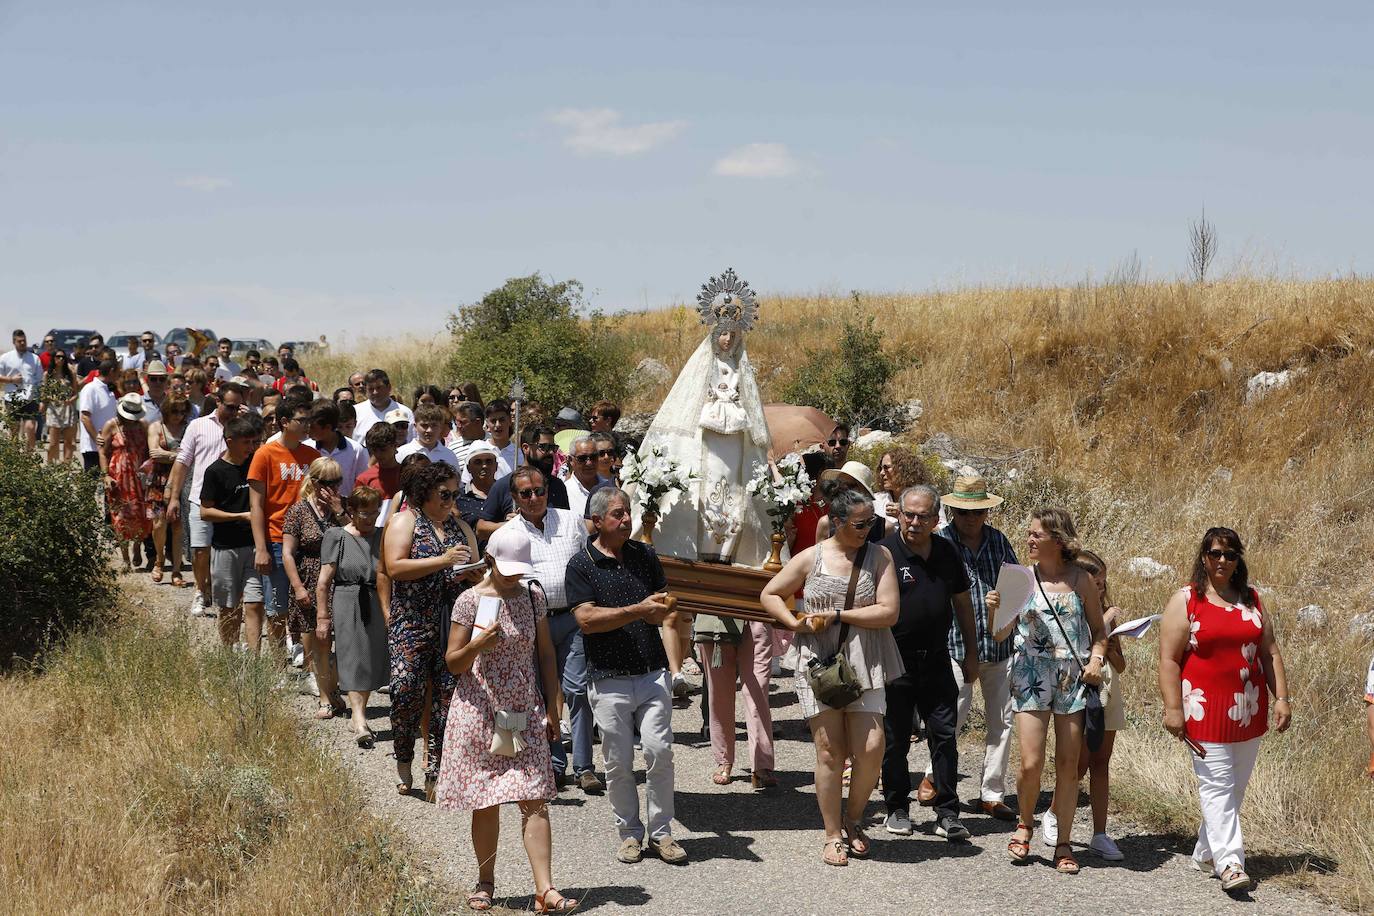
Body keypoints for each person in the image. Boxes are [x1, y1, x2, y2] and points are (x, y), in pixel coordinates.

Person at [436, 525, 577, 914]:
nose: (515, 574)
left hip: (522, 710)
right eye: (508, 567)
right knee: (486, 800)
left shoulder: (533, 598)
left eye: (520, 567)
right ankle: (485, 882)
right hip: (479, 711)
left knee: (535, 798)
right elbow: (453, 663)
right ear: (491, 560)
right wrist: (478, 644)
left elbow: (546, 654)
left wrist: (553, 704)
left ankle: (545, 890)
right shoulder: (469, 600)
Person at [760, 487, 902, 867]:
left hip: (866, 659)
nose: (868, 529)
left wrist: (840, 616)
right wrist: (793, 623)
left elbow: (889, 612)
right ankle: (833, 833)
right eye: (859, 523)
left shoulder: (880, 556)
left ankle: (854, 819)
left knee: (872, 748)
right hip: (820, 663)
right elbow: (771, 593)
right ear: (837, 522)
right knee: (829, 751)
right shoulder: (812, 557)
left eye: (872, 521)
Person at [1159, 527, 1291, 894]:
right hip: (1203, 711)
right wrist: (1173, 709)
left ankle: (1206, 852)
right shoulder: (1186, 600)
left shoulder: (1251, 599)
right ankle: (1231, 862)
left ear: (1238, 560)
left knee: (1235, 790)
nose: (1222, 561)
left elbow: (1270, 652)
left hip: (1248, 710)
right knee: (1217, 786)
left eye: (1230, 555)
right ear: (1204, 556)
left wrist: (1281, 697)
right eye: (1215, 553)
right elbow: (1169, 659)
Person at [566, 487, 687, 866]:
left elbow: (663, 604)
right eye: (617, 514)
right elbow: (586, 620)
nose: (626, 520)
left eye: (628, 512)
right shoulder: (581, 564)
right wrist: (638, 610)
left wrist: (661, 610)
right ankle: (630, 833)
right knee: (618, 762)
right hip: (608, 677)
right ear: (597, 520)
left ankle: (662, 834)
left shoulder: (644, 554)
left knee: (659, 752)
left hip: (651, 671)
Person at [998, 507, 1107, 875]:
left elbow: (1099, 633)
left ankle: (1063, 841)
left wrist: (1096, 659)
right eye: (1029, 534)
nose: (1029, 539)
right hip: (1031, 673)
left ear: (1057, 541)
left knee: (1068, 766)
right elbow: (1000, 634)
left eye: (1036, 535)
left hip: (1071, 677)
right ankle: (1025, 824)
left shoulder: (1081, 580)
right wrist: (996, 609)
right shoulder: (1019, 579)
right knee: (1030, 762)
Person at [919, 470, 1020, 819]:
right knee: (951, 715)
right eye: (964, 512)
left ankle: (992, 792)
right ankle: (934, 775)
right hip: (952, 643)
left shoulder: (999, 541)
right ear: (952, 513)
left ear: (987, 512)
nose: (971, 519)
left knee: (1002, 720)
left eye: (977, 512)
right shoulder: (940, 542)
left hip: (999, 643)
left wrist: (1006, 611)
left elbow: (1016, 584)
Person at [879, 485, 977, 842]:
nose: (915, 522)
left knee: (945, 737)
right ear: (899, 514)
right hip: (895, 661)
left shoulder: (948, 552)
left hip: (937, 659)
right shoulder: (884, 553)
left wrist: (971, 654)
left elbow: (963, 605)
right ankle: (896, 807)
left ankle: (948, 812)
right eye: (909, 515)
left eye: (923, 516)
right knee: (895, 739)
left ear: (936, 520)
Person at [501, 466, 602, 794]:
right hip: (528, 623)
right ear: (515, 498)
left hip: (572, 618)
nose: (534, 498)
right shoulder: (508, 534)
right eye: (525, 493)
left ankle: (584, 766)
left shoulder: (571, 521)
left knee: (576, 690)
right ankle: (552, 763)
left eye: (539, 491)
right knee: (536, 693)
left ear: (548, 490)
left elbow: (591, 563)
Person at [385, 461, 479, 799]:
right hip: (411, 622)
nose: (450, 501)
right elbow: (395, 567)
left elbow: (475, 572)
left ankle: (435, 770)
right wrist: (443, 560)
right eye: (444, 494)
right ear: (425, 492)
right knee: (405, 689)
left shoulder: (461, 528)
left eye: (455, 494)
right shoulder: (405, 521)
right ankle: (404, 755)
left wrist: (475, 574)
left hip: (451, 623)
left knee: (447, 698)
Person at [1042, 549, 1128, 860]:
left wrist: (1113, 639)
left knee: (1101, 763)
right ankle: (1053, 814)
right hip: (1079, 690)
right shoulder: (1068, 612)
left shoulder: (1105, 614)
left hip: (1107, 690)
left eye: (1104, 583)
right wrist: (1099, 627)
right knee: (1076, 763)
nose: (1102, 590)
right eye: (1096, 583)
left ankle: (1100, 834)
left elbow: (1119, 665)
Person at [316, 485, 390, 747]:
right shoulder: (337, 536)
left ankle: (358, 713)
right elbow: (324, 581)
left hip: (376, 599)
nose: (369, 518)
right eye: (363, 513)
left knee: (369, 657)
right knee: (352, 656)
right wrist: (322, 617)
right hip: (348, 599)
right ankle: (359, 719)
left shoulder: (383, 536)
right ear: (351, 511)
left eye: (374, 512)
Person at [248, 396, 321, 653]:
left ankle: (309, 664)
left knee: (308, 605)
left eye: (309, 420)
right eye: (302, 420)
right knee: (277, 609)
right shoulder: (264, 455)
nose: (307, 425)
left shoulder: (312, 456)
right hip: (276, 539)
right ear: (284, 422)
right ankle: (279, 669)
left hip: (309, 542)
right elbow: (256, 505)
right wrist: (261, 548)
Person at [167, 383, 246, 616]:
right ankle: (201, 590)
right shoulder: (198, 426)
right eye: (229, 407)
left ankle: (228, 596)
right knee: (200, 549)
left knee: (229, 552)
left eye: (237, 407)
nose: (233, 412)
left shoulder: (243, 428)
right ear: (217, 401)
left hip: (233, 501)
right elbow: (182, 463)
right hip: (200, 497)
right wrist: (173, 497)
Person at [693, 589, 777, 791]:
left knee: (758, 692)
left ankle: (762, 765)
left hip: (757, 610)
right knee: (719, 694)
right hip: (717, 611)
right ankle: (724, 760)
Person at [282, 457, 347, 712]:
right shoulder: (298, 511)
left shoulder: (342, 508)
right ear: (316, 482)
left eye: (338, 481)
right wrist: (298, 587)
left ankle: (333, 688)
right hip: (308, 577)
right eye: (329, 482)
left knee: (342, 641)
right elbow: (288, 552)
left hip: (339, 580)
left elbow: (355, 534)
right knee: (319, 643)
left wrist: (340, 511)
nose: (334, 487)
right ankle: (325, 697)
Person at [200, 414, 267, 649]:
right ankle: (229, 655)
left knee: (255, 603)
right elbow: (205, 512)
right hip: (226, 547)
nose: (251, 448)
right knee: (229, 606)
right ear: (230, 441)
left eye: (254, 442)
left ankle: (254, 660)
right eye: (246, 442)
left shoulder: (255, 466)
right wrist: (240, 516)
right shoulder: (215, 471)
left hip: (254, 546)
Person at [477, 426, 570, 538]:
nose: (550, 453)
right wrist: (510, 525)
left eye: (553, 448)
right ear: (526, 448)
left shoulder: (557, 485)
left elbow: (566, 522)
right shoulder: (505, 484)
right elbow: (480, 528)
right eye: (544, 447)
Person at [100, 394, 153, 571]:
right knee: (119, 516)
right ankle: (124, 558)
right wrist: (105, 475)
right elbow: (103, 451)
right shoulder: (111, 425)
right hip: (118, 477)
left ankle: (137, 546)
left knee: (140, 513)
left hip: (138, 477)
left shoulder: (143, 425)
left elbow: (148, 448)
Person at [146, 396, 192, 586]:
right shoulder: (156, 427)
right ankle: (159, 558)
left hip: (181, 481)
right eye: (175, 411)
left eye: (182, 411)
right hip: (158, 481)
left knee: (178, 526)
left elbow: (189, 455)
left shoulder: (188, 427)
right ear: (166, 410)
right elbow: (154, 453)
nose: (179, 416)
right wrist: (180, 455)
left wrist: (169, 455)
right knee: (159, 524)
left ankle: (176, 570)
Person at [307, 399, 367, 496]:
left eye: (313, 427)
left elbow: (362, 485)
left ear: (328, 427)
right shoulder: (307, 448)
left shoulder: (356, 450)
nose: (308, 431)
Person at [1, 329, 45, 451]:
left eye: (24, 341)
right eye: (19, 341)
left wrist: (41, 399)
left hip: (30, 398)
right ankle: (15, 461)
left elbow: (40, 380)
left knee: (31, 428)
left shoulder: (34, 358)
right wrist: (11, 379)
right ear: (14, 342)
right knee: (14, 430)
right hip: (12, 399)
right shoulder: (5, 358)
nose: (22, 343)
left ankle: (29, 459)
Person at [78, 360, 119, 473]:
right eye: (118, 372)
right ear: (111, 371)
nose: (118, 376)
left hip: (108, 447)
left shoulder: (109, 390)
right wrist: (97, 438)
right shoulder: (90, 389)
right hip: (92, 448)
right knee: (91, 487)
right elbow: (85, 417)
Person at [352, 368, 413, 445]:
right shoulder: (356, 412)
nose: (375, 392)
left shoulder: (405, 412)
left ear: (389, 387)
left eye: (379, 387)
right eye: (371, 389)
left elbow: (412, 442)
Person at [41, 346, 79, 464]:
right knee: (53, 443)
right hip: (53, 409)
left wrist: (70, 400)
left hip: (68, 409)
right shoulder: (48, 374)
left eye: (63, 357)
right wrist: (53, 399)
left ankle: (66, 468)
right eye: (58, 357)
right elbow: (43, 394)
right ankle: (50, 464)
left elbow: (76, 393)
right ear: (53, 358)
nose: (61, 359)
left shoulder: (70, 373)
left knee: (68, 442)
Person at [397, 403, 462, 470]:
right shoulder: (402, 453)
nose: (429, 430)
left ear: (441, 427)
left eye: (434, 425)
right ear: (415, 426)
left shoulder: (449, 456)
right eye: (424, 425)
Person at [458, 441, 500, 534]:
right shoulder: (459, 497)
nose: (484, 466)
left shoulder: (507, 493)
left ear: (496, 466)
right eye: (478, 462)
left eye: (489, 461)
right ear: (468, 468)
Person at [564, 435, 609, 519]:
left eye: (593, 457)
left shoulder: (609, 486)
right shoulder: (565, 492)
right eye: (582, 458)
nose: (589, 463)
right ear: (570, 460)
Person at [355, 423, 402, 498]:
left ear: (395, 445)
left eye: (383, 450)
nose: (378, 454)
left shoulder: (407, 475)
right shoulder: (364, 479)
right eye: (374, 450)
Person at [484, 399, 517, 475]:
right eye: (493, 421)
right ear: (487, 423)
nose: (498, 425)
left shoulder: (519, 454)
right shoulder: (479, 449)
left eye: (502, 420)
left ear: (509, 421)